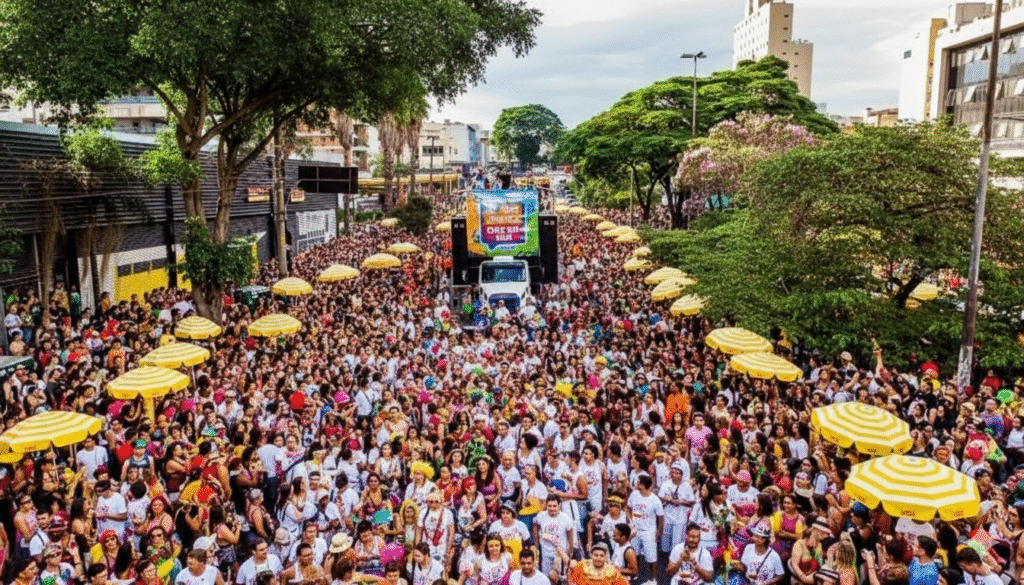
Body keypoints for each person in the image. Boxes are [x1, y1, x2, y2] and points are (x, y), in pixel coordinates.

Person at [626, 475, 662, 585]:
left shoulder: (655, 500)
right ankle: (634, 574)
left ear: (643, 485)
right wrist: (631, 523)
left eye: (639, 483)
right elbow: (628, 508)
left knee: (651, 557)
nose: (637, 484)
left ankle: (653, 579)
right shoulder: (634, 494)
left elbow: (661, 517)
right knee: (634, 553)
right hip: (635, 530)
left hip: (649, 531)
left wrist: (658, 531)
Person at [535, 496, 575, 576]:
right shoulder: (541, 516)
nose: (552, 508)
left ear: (559, 505)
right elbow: (535, 526)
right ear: (546, 505)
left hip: (560, 552)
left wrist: (571, 547)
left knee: (561, 576)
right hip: (545, 552)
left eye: (554, 506)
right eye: (550, 506)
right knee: (547, 576)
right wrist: (536, 544)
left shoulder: (565, 518)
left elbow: (570, 532)